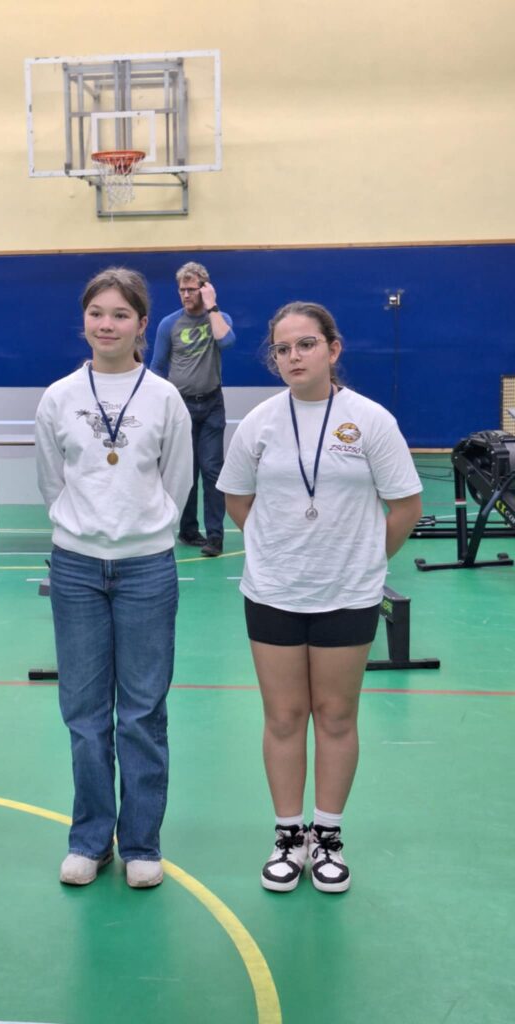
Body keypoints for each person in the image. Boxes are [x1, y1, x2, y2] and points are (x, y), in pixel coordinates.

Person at [217, 301, 422, 893]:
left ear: (333, 349)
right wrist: (276, 548)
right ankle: (288, 835)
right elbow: (236, 499)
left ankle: (327, 835)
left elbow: (406, 507)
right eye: (282, 349)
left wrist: (362, 559)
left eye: (306, 344)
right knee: (283, 717)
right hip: (273, 593)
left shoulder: (370, 420)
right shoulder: (259, 423)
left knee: (335, 715)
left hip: (348, 596)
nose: (293, 357)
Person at [35, 267, 192, 889]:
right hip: (76, 568)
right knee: (84, 712)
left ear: (141, 324)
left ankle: (142, 843)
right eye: (97, 313)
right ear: (84, 320)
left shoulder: (165, 398)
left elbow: (177, 481)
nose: (107, 324)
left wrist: (143, 531)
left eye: (120, 314)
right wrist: (84, 529)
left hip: (147, 568)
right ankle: (90, 839)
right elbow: (52, 480)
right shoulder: (58, 397)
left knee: (143, 712)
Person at [150, 260, 236, 557]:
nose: (186, 295)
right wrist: (160, 405)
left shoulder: (219, 318)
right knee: (186, 470)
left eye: (192, 289)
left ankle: (215, 537)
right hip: (181, 406)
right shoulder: (169, 324)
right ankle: (188, 530)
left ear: (205, 289)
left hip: (211, 404)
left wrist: (212, 307)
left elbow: (227, 341)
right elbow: (157, 366)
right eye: (182, 290)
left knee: (212, 470)